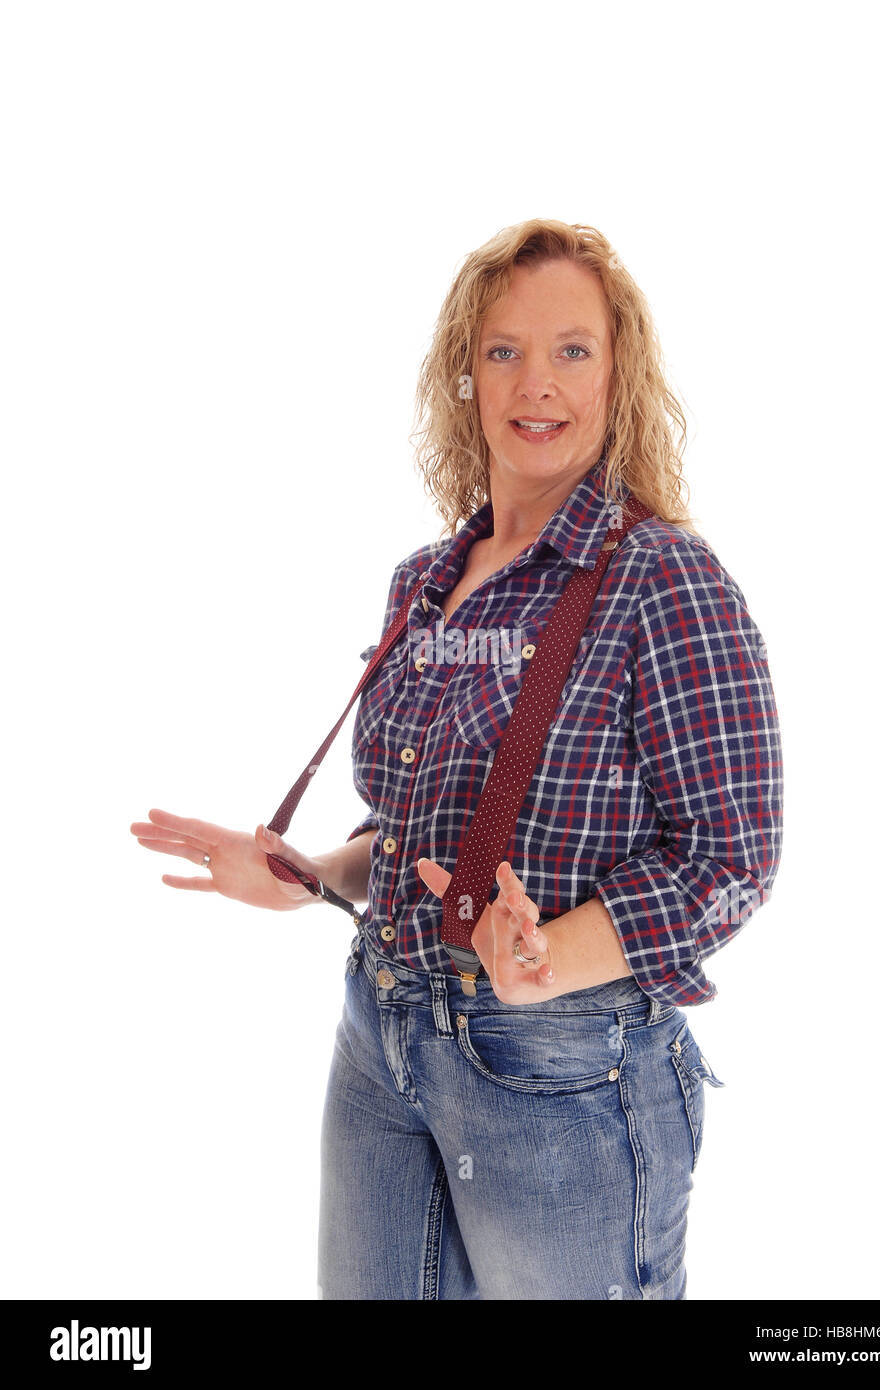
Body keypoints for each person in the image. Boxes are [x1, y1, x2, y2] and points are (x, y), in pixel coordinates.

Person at [131, 219, 783, 1300]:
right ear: (464, 376)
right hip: (379, 1037)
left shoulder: (666, 581)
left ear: (618, 377)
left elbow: (732, 855)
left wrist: (550, 958)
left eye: (572, 349)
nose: (537, 382)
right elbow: (415, 829)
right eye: (504, 350)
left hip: (562, 1070)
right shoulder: (424, 581)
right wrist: (306, 874)